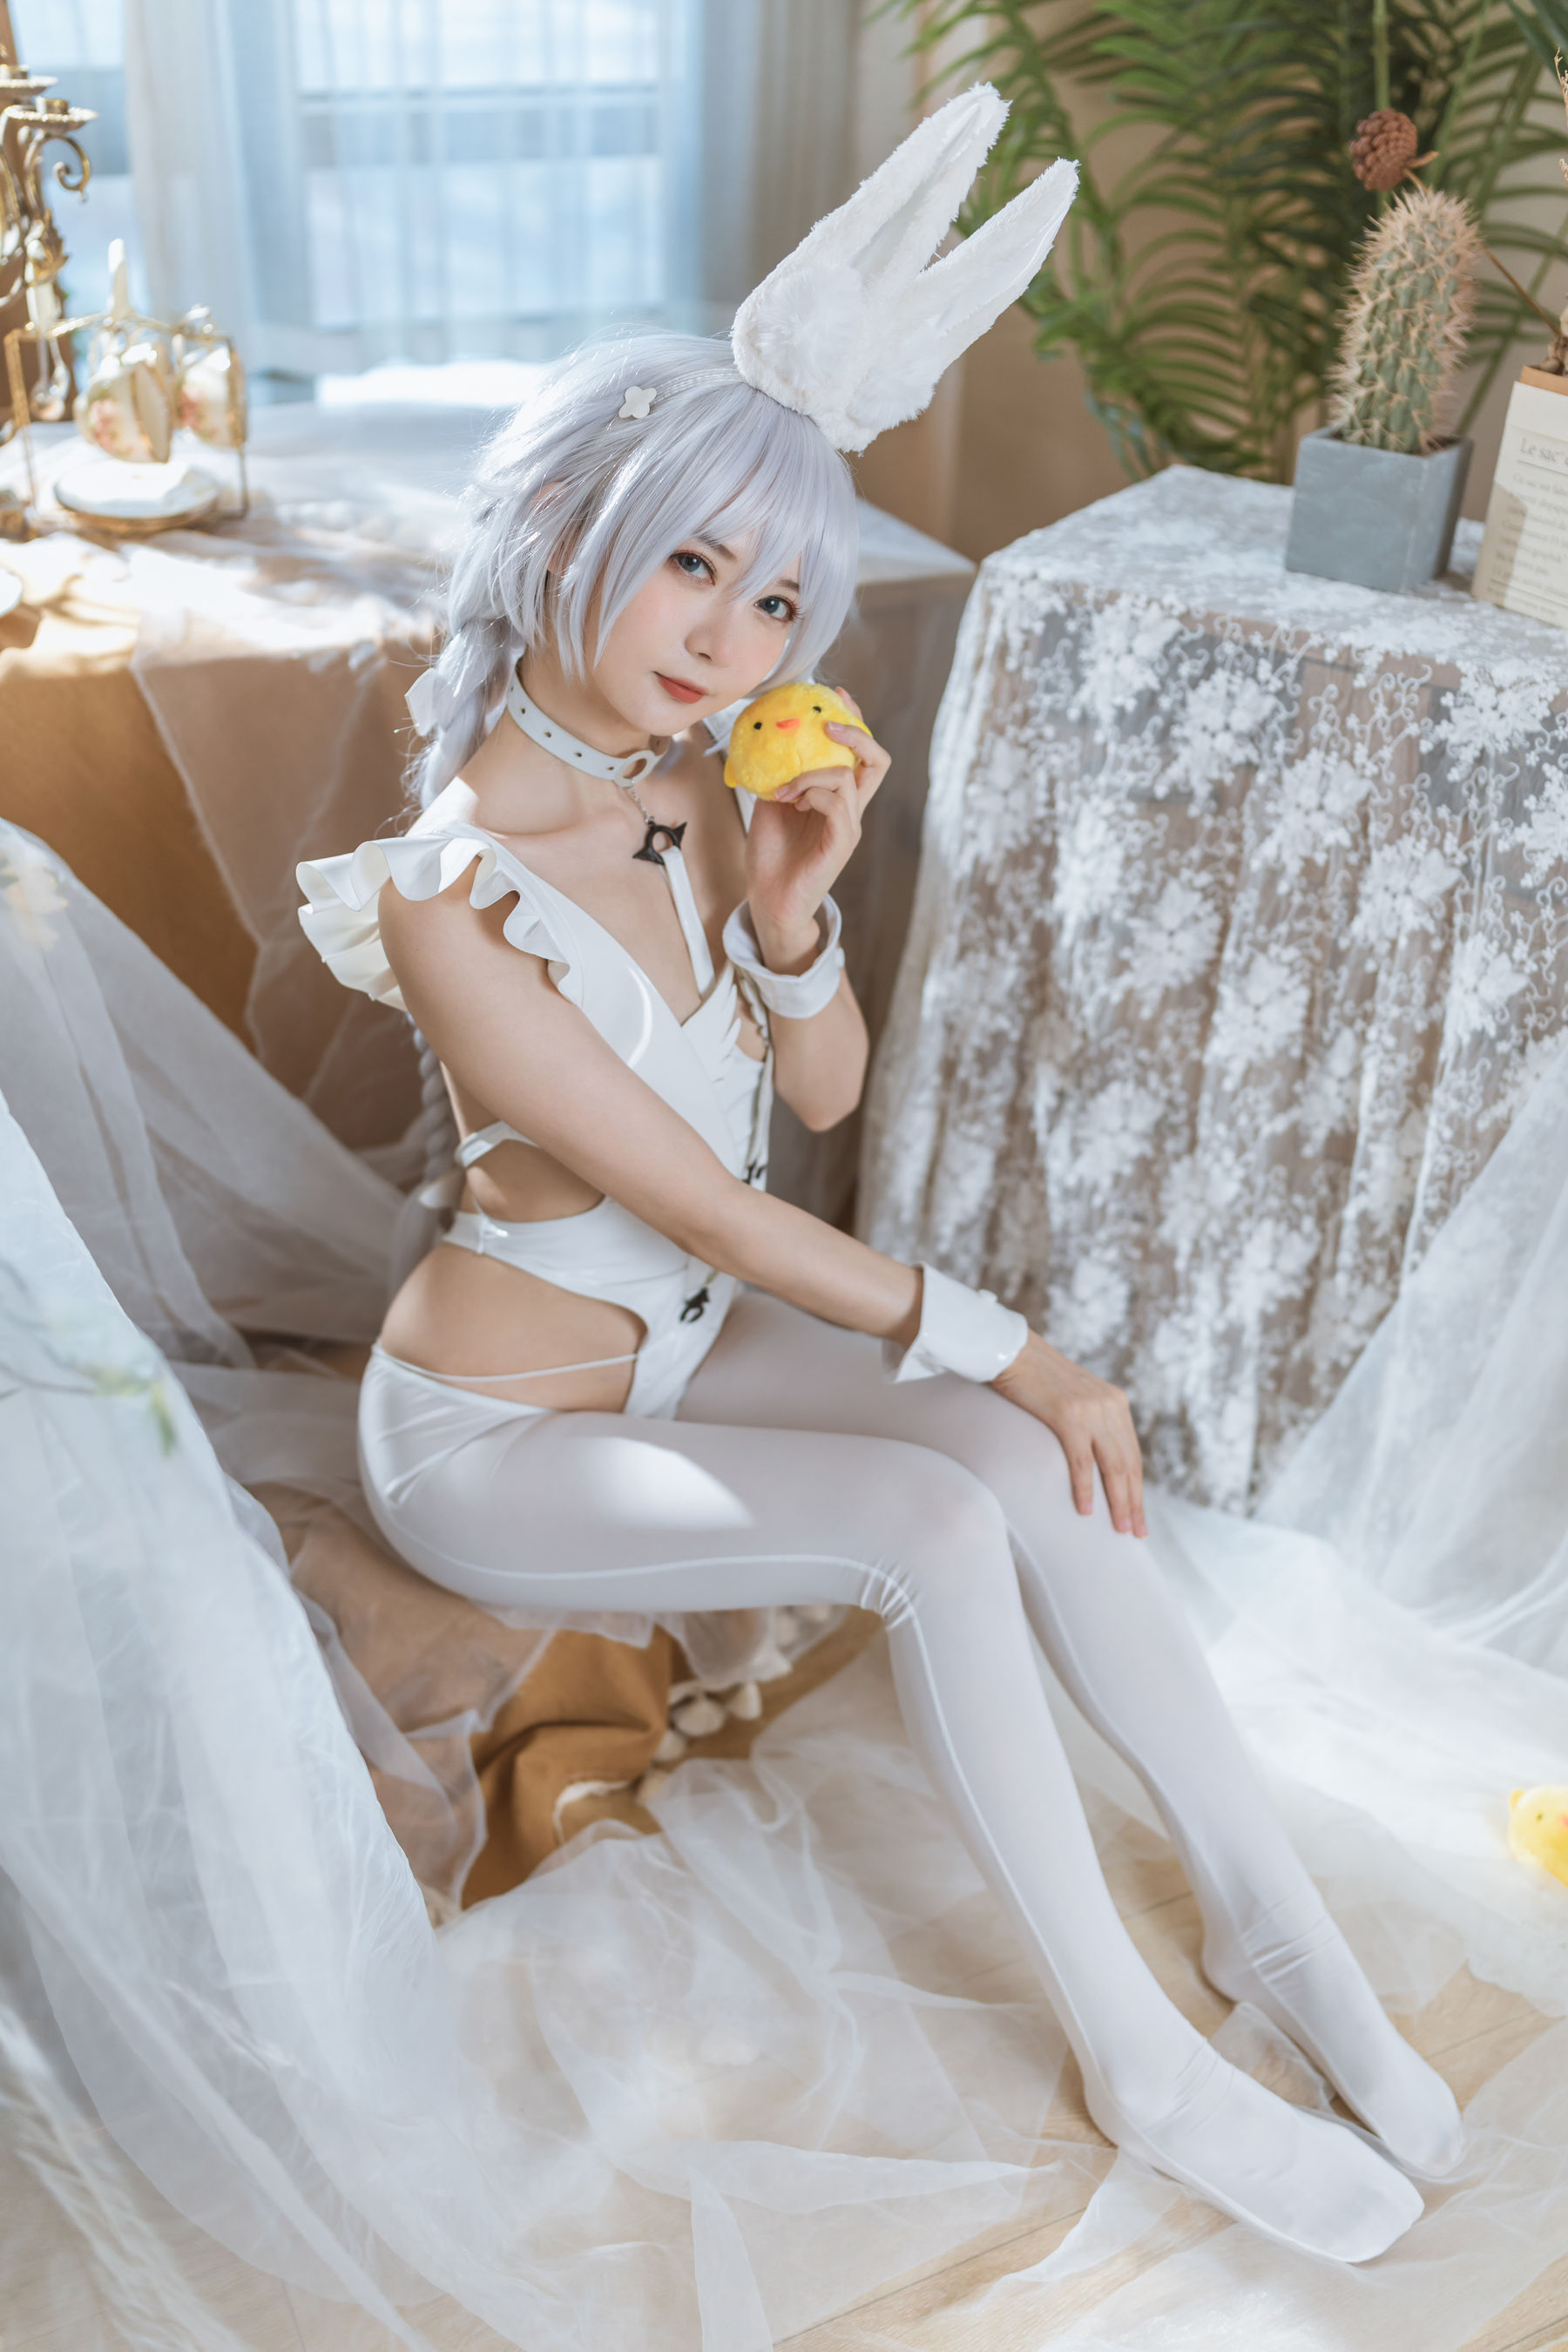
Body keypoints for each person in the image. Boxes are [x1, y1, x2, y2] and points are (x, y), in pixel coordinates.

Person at [296, 89, 1463, 2264]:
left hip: (688, 1351)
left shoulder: (698, 785)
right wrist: (1023, 1345)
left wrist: (796, 903)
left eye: (774, 596)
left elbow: (814, 1098)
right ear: (568, 518)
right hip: (497, 1430)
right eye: (691, 563)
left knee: (1035, 1473)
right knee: (949, 1500)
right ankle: (1143, 2061)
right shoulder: (449, 890)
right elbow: (716, 1209)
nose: (728, 635)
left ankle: (1277, 1930)